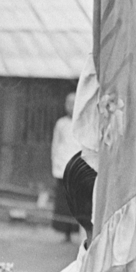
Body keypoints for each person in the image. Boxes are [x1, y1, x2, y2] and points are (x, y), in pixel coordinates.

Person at [50, 92, 81, 242]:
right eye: (69, 103)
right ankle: (65, 233)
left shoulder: (84, 123)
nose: (71, 107)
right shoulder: (61, 123)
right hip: (62, 166)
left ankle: (76, 232)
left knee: (76, 201)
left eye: (75, 103)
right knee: (63, 201)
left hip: (77, 167)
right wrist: (55, 164)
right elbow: (56, 145)